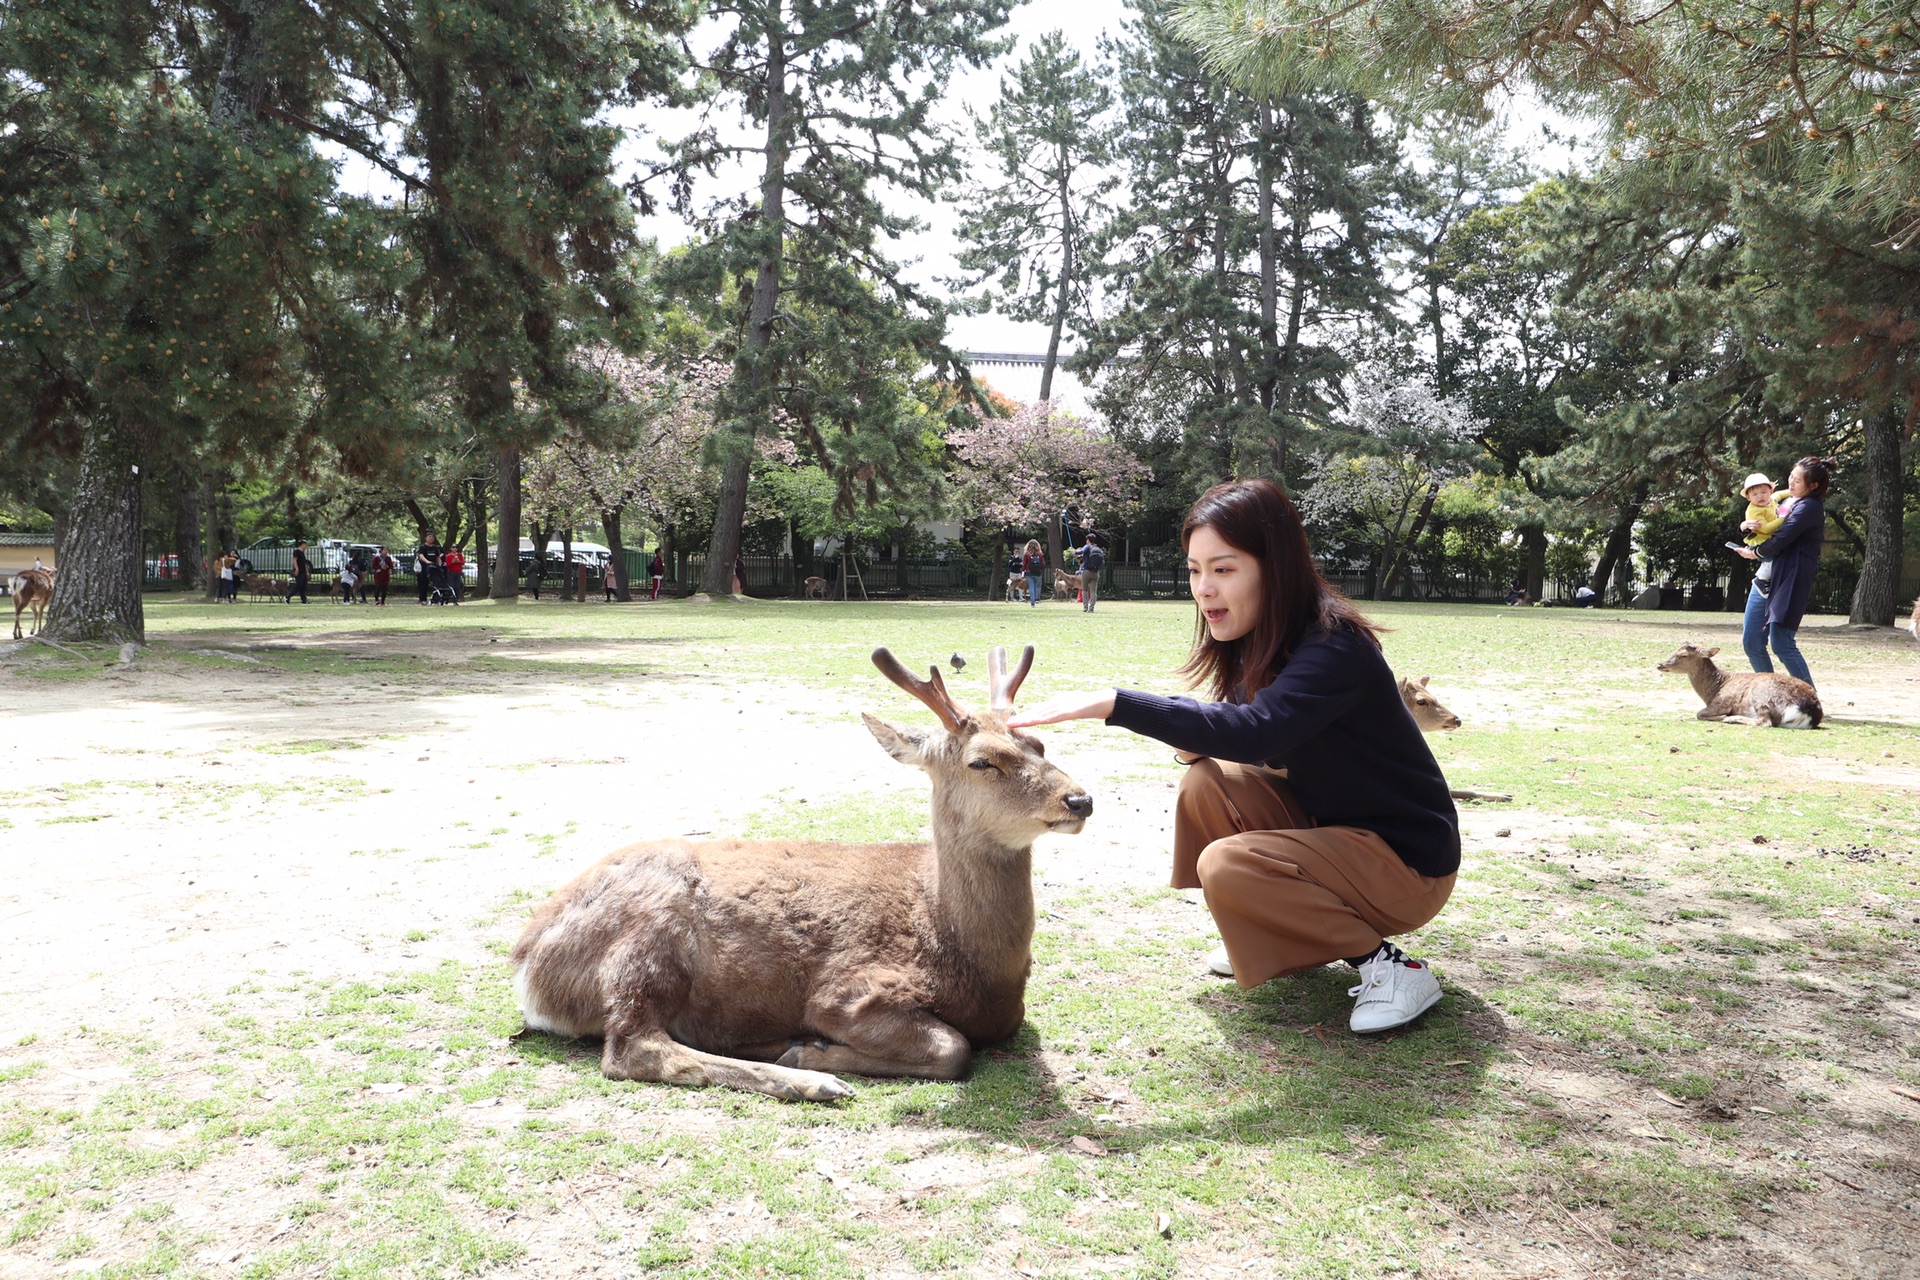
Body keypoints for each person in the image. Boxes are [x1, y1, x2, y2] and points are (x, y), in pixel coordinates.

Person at [1009, 478, 1459, 1036]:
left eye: (1223, 569)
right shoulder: (1262, 641)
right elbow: (1242, 735)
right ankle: (1268, 932)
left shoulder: (1333, 646)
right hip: (1338, 838)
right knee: (1208, 782)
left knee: (1229, 862)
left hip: (1406, 865)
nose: (1204, 588)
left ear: (1277, 567)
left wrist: (1114, 704)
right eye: (1196, 571)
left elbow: (1258, 734)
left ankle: (1391, 970)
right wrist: (1198, 738)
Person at [1735, 457, 1830, 686]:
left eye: (1797, 480)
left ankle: (1808, 698)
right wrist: (1746, 527)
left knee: (1782, 643)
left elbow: (1782, 537)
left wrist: (1755, 553)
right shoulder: (1789, 501)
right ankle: (1772, 692)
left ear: (1813, 486)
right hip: (1765, 579)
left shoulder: (1809, 507)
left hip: (1789, 581)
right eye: (1791, 477)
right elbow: (1763, 527)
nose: (1792, 483)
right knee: (1752, 643)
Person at [1733, 472, 1789, 598]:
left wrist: (1792, 492)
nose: (1760, 496)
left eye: (1763, 492)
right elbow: (1765, 529)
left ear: (1771, 490)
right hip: (1760, 543)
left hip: (1769, 540)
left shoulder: (1771, 500)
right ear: (1748, 498)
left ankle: (1767, 580)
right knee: (1771, 560)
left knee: (1776, 559)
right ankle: (1761, 580)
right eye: (1754, 494)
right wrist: (1783, 518)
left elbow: (1780, 494)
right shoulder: (1754, 510)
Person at [1074, 534, 1106, 613]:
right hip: (1095, 573)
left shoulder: (1087, 546)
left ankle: (1085, 607)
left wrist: (1074, 552)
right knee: (1093, 591)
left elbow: (1080, 552)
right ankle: (1091, 607)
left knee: (1084, 589)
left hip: (1087, 571)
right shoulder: (1098, 549)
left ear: (1088, 540)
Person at [415, 533, 440, 604]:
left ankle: (436, 599)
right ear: (426, 538)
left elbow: (437, 557)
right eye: (430, 537)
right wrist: (427, 562)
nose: (431, 538)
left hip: (434, 567)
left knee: (436, 583)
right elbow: (421, 555)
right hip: (424, 567)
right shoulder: (423, 547)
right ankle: (423, 599)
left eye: (432, 537)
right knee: (423, 583)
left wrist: (439, 564)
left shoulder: (435, 548)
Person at [1021, 539, 1045, 607]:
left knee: (1031, 587)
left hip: (1029, 573)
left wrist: (1023, 572)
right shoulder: (1040, 554)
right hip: (1038, 573)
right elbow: (1043, 564)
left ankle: (1032, 602)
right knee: (1038, 586)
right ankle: (1037, 599)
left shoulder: (1027, 554)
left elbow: (1024, 564)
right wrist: (1041, 569)